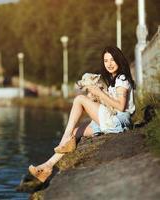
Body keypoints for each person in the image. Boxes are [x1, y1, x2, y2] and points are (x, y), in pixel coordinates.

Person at [28, 46, 136, 183]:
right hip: (116, 121)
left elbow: (120, 106)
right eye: (106, 60)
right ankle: (47, 167)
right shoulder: (114, 80)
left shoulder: (122, 79)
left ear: (119, 60)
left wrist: (99, 93)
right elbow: (112, 103)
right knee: (75, 132)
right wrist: (95, 97)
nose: (109, 63)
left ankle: (63, 139)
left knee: (79, 99)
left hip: (119, 121)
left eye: (112, 60)